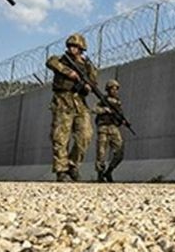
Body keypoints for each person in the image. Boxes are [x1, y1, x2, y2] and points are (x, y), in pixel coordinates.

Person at [46, 33, 97, 182]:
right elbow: (50, 62)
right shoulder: (61, 59)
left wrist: (88, 85)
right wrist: (70, 73)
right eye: (69, 46)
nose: (71, 48)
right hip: (63, 100)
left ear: (82, 48)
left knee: (85, 134)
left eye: (75, 46)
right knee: (60, 137)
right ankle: (61, 170)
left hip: (79, 101)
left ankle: (73, 164)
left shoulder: (87, 64)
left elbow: (93, 82)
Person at [93, 79, 125, 182]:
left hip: (113, 128)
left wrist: (122, 120)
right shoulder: (103, 100)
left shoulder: (118, 102)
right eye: (112, 89)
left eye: (116, 89)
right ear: (108, 90)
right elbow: (94, 109)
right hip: (103, 128)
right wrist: (104, 110)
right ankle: (100, 174)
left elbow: (119, 115)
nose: (115, 91)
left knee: (120, 151)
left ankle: (109, 171)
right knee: (101, 153)